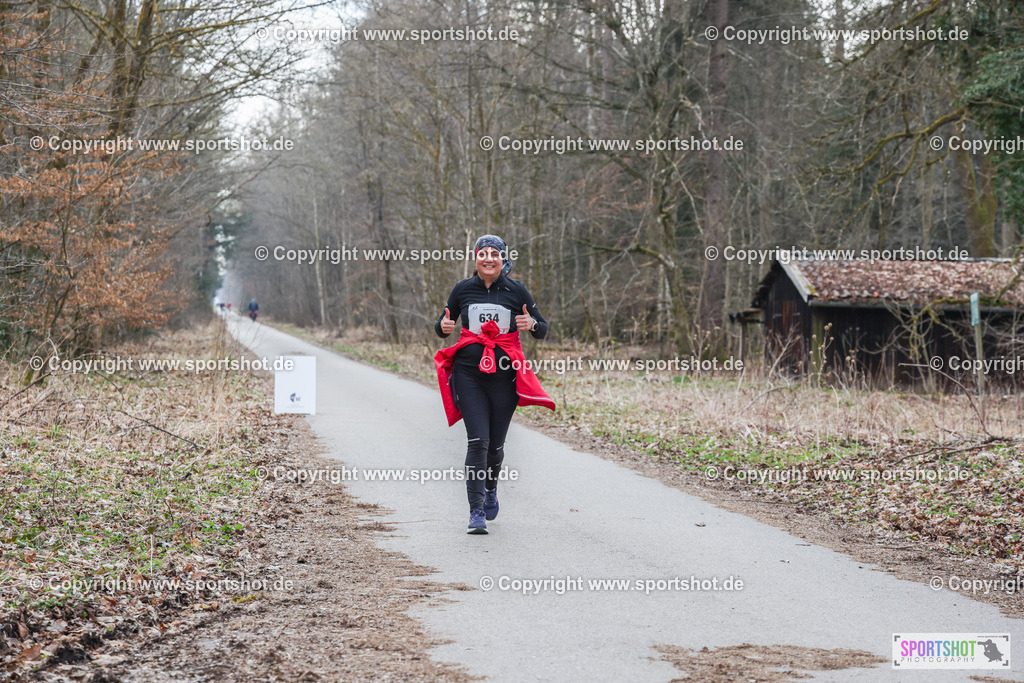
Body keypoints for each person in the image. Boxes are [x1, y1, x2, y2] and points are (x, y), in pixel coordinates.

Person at [434, 235, 555, 534]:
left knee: (495, 448)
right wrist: (443, 327)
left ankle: (491, 488)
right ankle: (476, 512)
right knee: (478, 442)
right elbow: (443, 323)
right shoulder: (463, 289)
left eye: (494, 254)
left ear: (503, 259)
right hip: (468, 374)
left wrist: (533, 325)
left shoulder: (516, 290)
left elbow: (542, 329)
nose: (489, 259)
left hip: (504, 376)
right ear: (475, 259)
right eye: (483, 254)